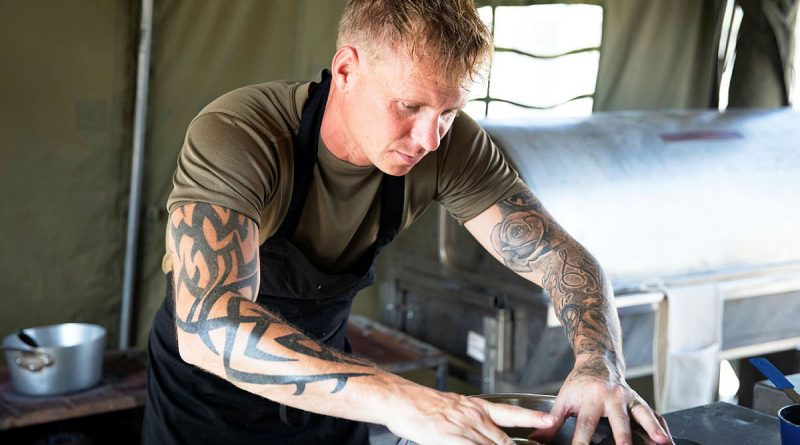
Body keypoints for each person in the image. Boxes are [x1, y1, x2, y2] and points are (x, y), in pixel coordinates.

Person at [142, 1, 674, 444]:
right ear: (346, 70)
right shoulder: (241, 132)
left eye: (448, 112)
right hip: (205, 407)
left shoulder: (450, 143)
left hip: (334, 404)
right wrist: (406, 401)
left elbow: (560, 257)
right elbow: (207, 324)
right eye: (409, 105)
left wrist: (598, 362)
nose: (430, 139)